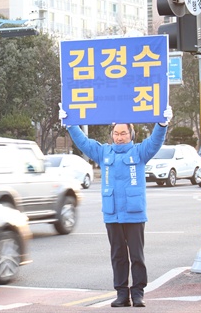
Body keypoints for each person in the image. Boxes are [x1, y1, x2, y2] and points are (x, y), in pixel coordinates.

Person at [59, 106, 172, 308]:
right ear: (111, 135)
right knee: (118, 255)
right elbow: (83, 143)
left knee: (137, 256)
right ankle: (121, 294)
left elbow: (155, 141)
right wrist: (70, 125)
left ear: (131, 134)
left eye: (124, 133)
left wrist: (162, 124)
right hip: (112, 214)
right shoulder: (104, 152)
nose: (119, 137)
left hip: (134, 214)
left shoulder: (139, 152)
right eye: (116, 133)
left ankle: (138, 293)